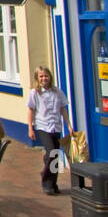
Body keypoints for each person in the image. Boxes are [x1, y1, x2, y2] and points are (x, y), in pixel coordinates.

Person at [27, 65, 72, 195]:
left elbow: (63, 108)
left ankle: (52, 183)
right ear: (37, 78)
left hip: (56, 126)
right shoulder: (35, 93)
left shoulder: (57, 92)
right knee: (52, 151)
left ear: (50, 77)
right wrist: (30, 128)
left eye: (46, 76)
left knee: (54, 155)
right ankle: (46, 181)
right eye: (41, 76)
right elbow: (30, 110)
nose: (44, 78)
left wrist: (69, 125)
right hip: (43, 126)